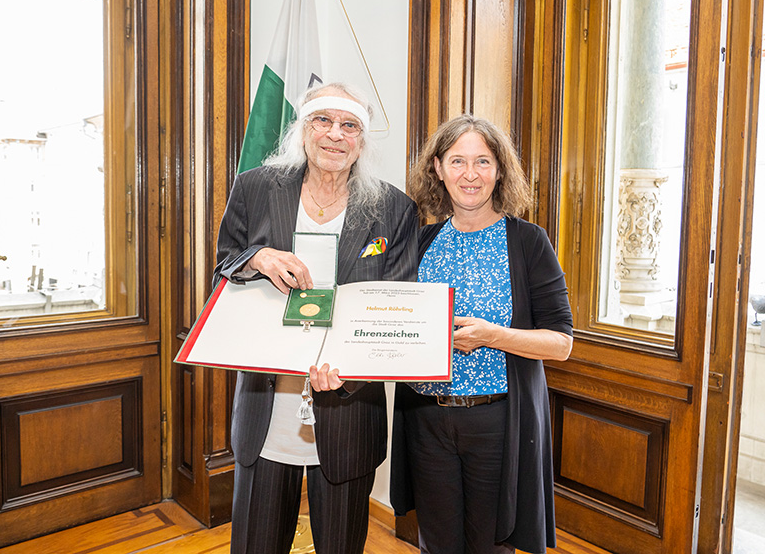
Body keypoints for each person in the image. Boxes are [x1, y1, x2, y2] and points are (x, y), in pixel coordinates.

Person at [215, 82, 418, 554]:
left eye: (349, 125)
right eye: (322, 120)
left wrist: (348, 370)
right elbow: (225, 264)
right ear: (301, 131)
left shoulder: (393, 209)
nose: (335, 134)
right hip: (268, 407)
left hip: (348, 410)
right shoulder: (255, 188)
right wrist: (257, 258)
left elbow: (398, 305)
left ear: (362, 141)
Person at [391, 114, 573, 554]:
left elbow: (561, 343)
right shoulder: (420, 241)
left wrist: (494, 335)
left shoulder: (529, 242)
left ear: (499, 170)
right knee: (436, 544)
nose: (470, 174)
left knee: (490, 546)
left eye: (483, 162)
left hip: (497, 423)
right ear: (437, 168)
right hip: (426, 420)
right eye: (457, 161)